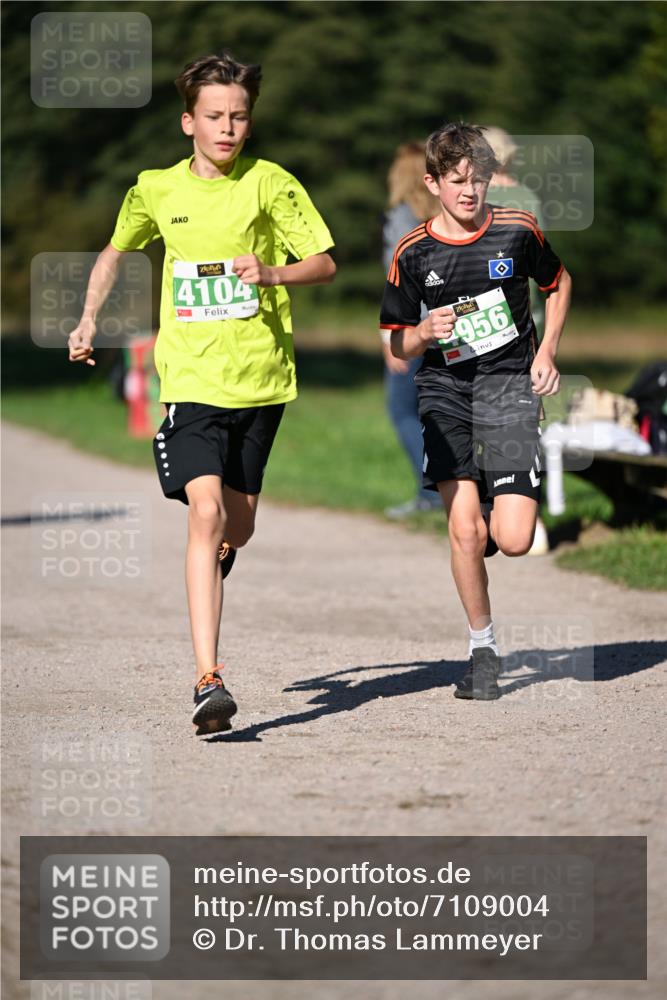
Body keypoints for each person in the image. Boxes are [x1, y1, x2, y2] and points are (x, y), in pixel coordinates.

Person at [68, 51, 336, 734]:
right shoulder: (156, 188)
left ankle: (217, 553)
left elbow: (325, 263)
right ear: (189, 121)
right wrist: (88, 315)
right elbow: (115, 251)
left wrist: (271, 274)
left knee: (236, 525)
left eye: (239, 116)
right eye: (215, 117)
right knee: (206, 510)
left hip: (262, 380)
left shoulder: (270, 183)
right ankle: (208, 679)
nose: (228, 128)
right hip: (189, 379)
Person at [380, 123, 571, 701]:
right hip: (445, 394)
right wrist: (421, 332)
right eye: (457, 181)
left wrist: (547, 351)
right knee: (465, 530)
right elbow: (395, 348)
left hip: (510, 388)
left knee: (512, 538)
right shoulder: (413, 252)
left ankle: (490, 499)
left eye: (479, 180)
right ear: (432, 182)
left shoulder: (517, 231)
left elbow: (559, 285)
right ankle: (482, 651)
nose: (470, 191)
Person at [483, 127, 549, 555]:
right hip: (528, 317)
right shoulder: (530, 198)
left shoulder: (475, 198)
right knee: (528, 416)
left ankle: (499, 505)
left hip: (489, 320)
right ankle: (528, 513)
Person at [381, 142, 442, 518]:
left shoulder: (401, 217)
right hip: (451, 325)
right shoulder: (450, 217)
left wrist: (390, 337)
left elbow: (397, 281)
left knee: (402, 409)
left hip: (414, 328)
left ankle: (433, 493)